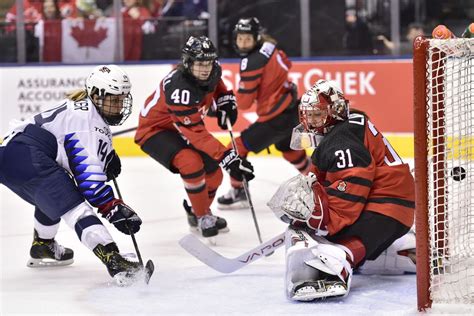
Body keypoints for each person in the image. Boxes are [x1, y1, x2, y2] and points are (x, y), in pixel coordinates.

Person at [268, 79, 415, 301]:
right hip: (390, 203)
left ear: (335, 111)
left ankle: (337, 268)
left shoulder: (341, 140)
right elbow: (330, 177)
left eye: (317, 114)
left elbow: (353, 182)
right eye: (308, 115)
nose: (311, 120)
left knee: (333, 245)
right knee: (331, 235)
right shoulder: (345, 128)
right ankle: (393, 252)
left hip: (387, 206)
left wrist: (328, 222)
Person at [0, 65, 143, 285]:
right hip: (27, 156)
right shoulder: (87, 120)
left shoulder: (84, 110)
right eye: (113, 100)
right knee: (76, 208)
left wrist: (107, 156)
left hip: (14, 153)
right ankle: (114, 260)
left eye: (122, 99)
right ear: (96, 95)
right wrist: (112, 207)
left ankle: (43, 245)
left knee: (56, 192)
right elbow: (90, 183)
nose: (119, 106)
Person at [135, 35, 255, 238]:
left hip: (180, 126)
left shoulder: (211, 72)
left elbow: (216, 84)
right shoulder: (179, 89)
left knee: (214, 174)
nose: (205, 67)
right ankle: (202, 217)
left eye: (208, 62)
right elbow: (197, 133)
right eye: (199, 63)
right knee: (190, 162)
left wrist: (225, 99)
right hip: (155, 131)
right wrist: (228, 157)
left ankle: (198, 212)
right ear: (188, 63)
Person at [217, 17, 310, 210]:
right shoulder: (270, 46)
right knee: (292, 152)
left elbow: (244, 103)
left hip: (275, 117)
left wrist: (225, 103)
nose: (242, 43)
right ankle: (320, 182)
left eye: (247, 39)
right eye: (239, 38)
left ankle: (238, 191)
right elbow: (287, 64)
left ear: (256, 37)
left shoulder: (251, 62)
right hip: (292, 110)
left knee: (236, 149)